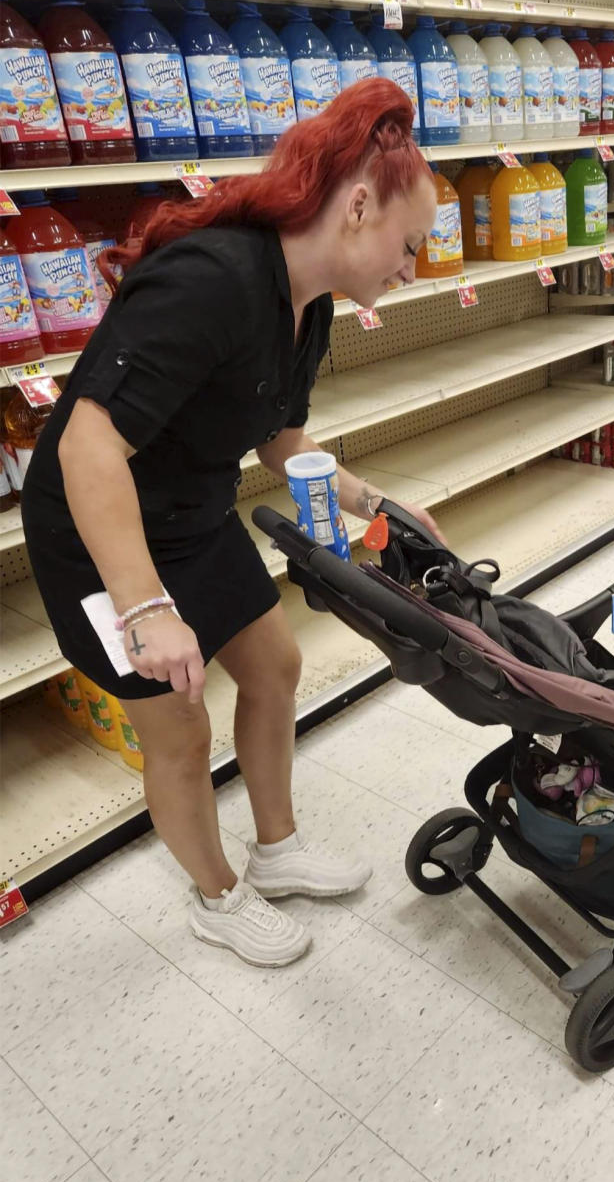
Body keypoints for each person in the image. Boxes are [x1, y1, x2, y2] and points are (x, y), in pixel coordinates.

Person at [21, 80, 441, 969]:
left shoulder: (310, 301)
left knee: (275, 664)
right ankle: (216, 895)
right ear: (359, 206)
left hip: (191, 509)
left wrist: (377, 504)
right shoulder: (213, 278)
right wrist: (144, 608)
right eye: (411, 245)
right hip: (102, 534)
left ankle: (277, 848)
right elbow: (88, 447)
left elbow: (281, 436)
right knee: (179, 728)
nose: (414, 268)